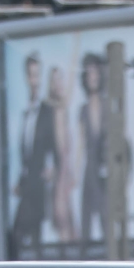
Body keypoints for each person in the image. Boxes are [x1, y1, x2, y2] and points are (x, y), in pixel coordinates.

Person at [10, 52, 55, 256]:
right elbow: (26, 155)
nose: (34, 80)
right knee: (23, 237)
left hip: (39, 185)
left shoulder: (47, 111)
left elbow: (55, 148)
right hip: (27, 183)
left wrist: (52, 169)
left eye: (37, 75)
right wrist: (20, 181)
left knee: (28, 235)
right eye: (31, 75)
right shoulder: (25, 112)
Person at [77, 52, 108, 247]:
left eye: (95, 72)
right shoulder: (82, 110)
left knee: (107, 222)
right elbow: (80, 147)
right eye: (89, 73)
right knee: (86, 226)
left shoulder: (109, 106)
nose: (93, 77)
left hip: (106, 175)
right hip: (89, 174)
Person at [47, 65, 78, 247]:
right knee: (61, 219)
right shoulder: (51, 111)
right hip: (59, 174)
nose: (59, 84)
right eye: (55, 80)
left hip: (66, 172)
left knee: (70, 222)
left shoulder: (65, 110)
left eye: (61, 79)